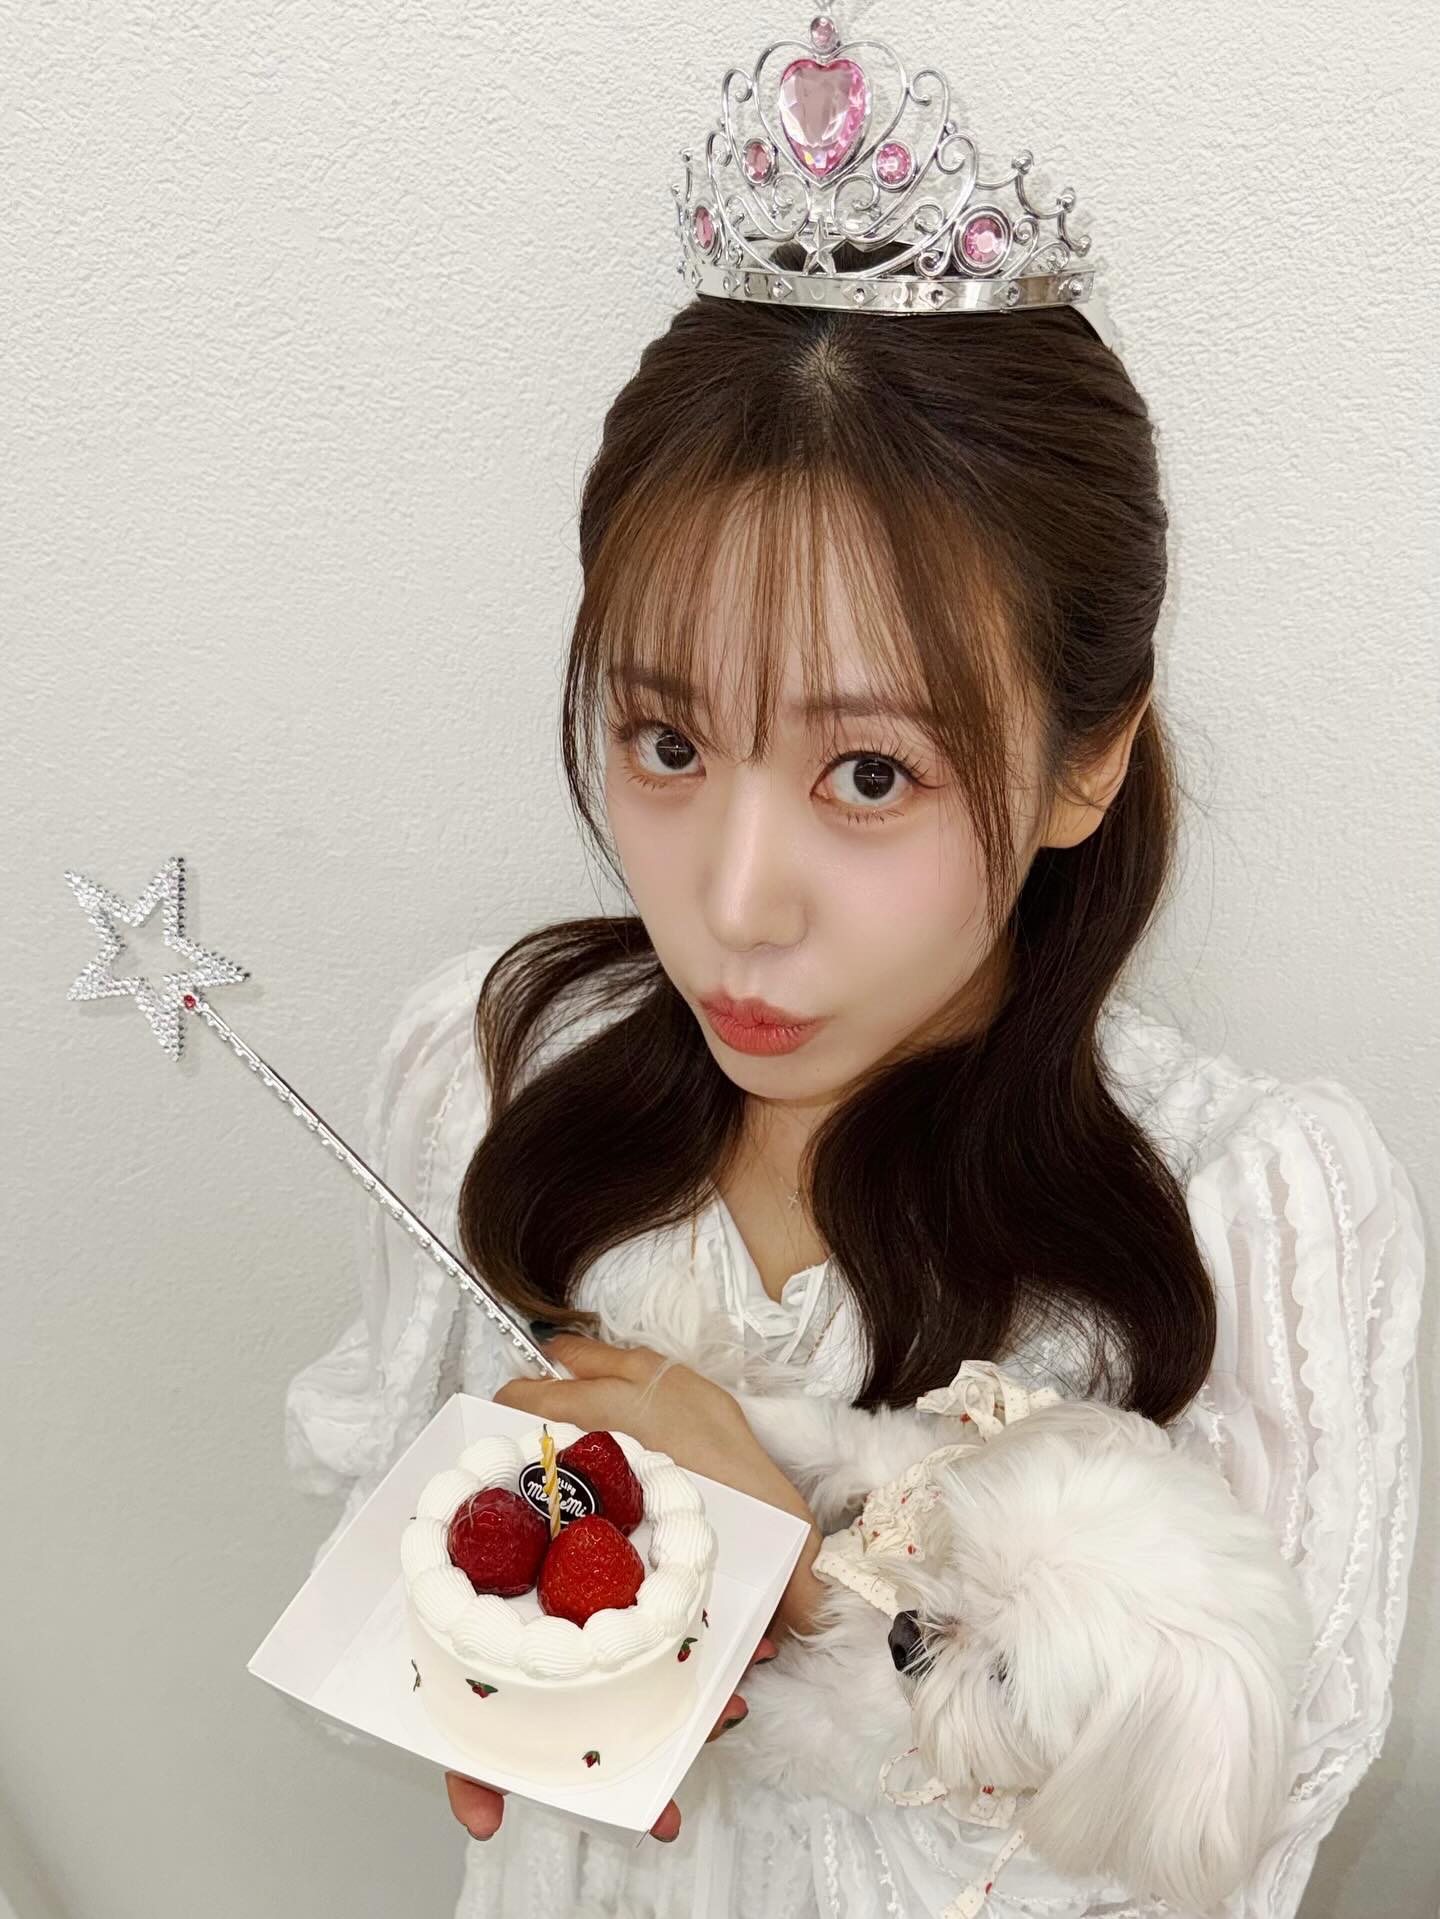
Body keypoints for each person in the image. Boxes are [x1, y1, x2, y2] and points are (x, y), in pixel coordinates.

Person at [283, 14, 1425, 1915]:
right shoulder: (486, 1070)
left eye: (870, 773)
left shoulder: (1247, 1212)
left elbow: (1232, 1858)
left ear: (1088, 757)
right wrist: (492, 1625)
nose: (733, 902)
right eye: (666, 742)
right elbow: (405, 1607)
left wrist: (799, 1578)